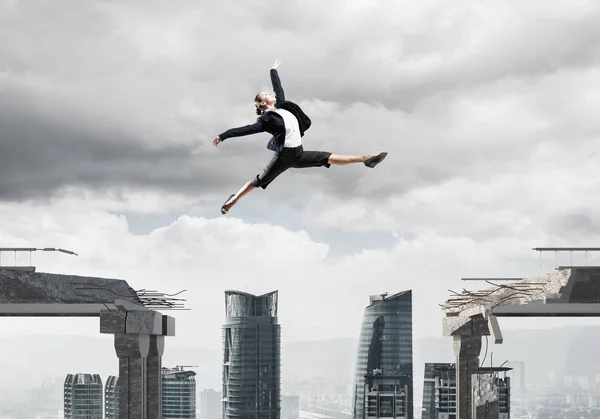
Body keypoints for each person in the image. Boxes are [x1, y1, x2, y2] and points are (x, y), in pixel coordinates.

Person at [213, 58, 388, 215]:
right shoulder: (266, 120)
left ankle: (367, 159)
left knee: (328, 158)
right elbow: (247, 129)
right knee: (257, 182)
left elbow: (278, 88)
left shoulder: (282, 106)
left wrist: (273, 70)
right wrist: (224, 135)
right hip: (283, 157)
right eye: (266, 95)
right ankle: (232, 201)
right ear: (263, 103)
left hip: (298, 153)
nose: (271, 94)